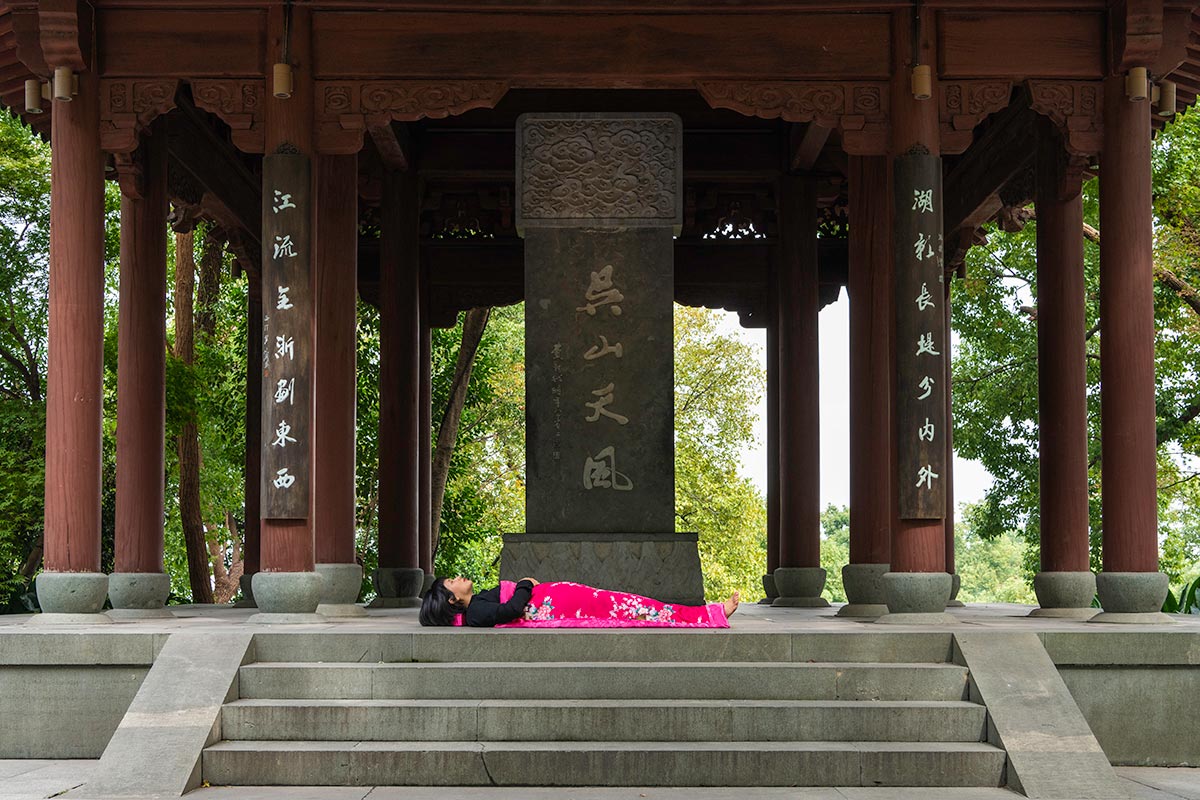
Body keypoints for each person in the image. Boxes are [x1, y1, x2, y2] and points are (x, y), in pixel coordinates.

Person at [419, 574, 739, 628]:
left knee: (635, 604)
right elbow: (512, 610)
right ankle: (709, 615)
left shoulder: (477, 601)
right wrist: (524, 585)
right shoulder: (475, 612)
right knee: (636, 609)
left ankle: (705, 613)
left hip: (568, 598)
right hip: (567, 605)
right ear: (452, 600)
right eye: (452, 582)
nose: (458, 578)